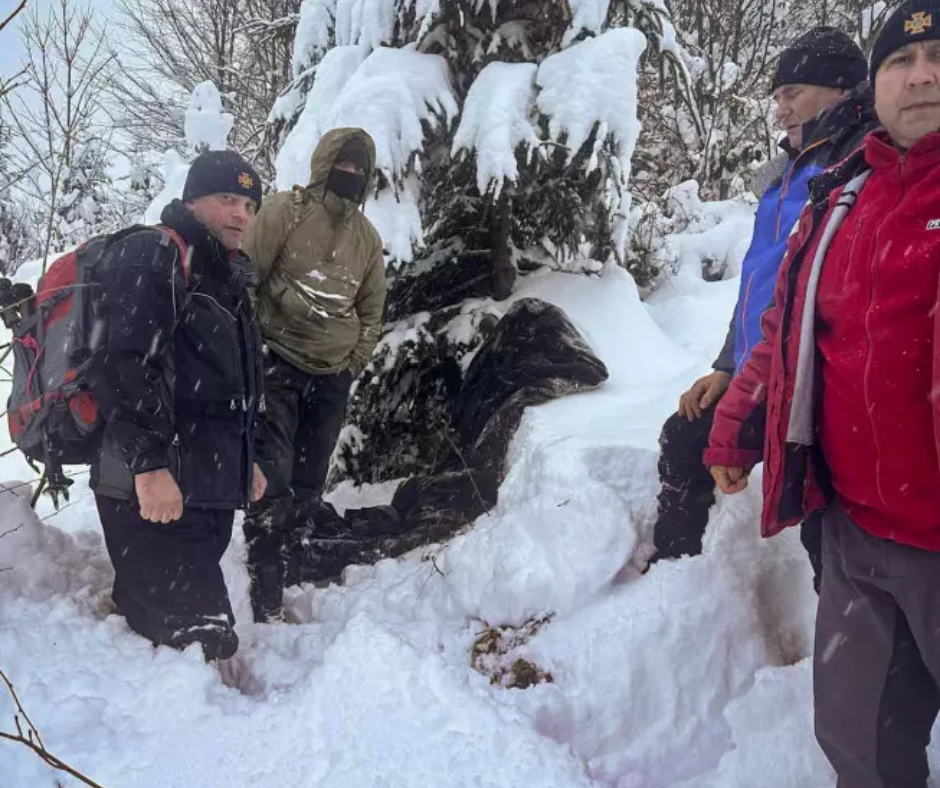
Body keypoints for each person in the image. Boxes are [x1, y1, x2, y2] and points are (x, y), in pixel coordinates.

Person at [707, 3, 940, 783]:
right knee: (860, 744)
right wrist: (738, 424)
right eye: (900, 64)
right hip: (855, 535)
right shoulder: (842, 196)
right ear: (872, 88)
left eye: (938, 56)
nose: (922, 75)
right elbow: (784, 322)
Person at [648, 26, 877, 587]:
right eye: (777, 96)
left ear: (841, 90)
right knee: (684, 436)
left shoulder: (861, 165)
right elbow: (760, 282)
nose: (779, 109)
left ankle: (847, 650)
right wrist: (728, 367)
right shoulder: (786, 177)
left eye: (792, 92)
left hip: (817, 383)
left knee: (831, 528)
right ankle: (675, 583)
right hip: (762, 368)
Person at [91, 150, 267, 661]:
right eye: (227, 199)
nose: (241, 214)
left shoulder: (225, 280)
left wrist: (245, 459)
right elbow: (124, 365)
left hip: (201, 492)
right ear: (193, 201)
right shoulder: (155, 254)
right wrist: (146, 466)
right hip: (148, 492)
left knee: (201, 634)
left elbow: (227, 387)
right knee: (200, 642)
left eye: (251, 205)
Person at [242, 127, 387, 623]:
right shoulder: (285, 210)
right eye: (343, 165)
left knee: (309, 479)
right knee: (272, 477)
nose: (351, 175)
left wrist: (353, 362)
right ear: (325, 164)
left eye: (359, 169)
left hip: (331, 377)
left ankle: (289, 559)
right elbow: (247, 276)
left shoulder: (367, 239)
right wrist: (251, 350)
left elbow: (372, 311)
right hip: (276, 363)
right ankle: (261, 574)